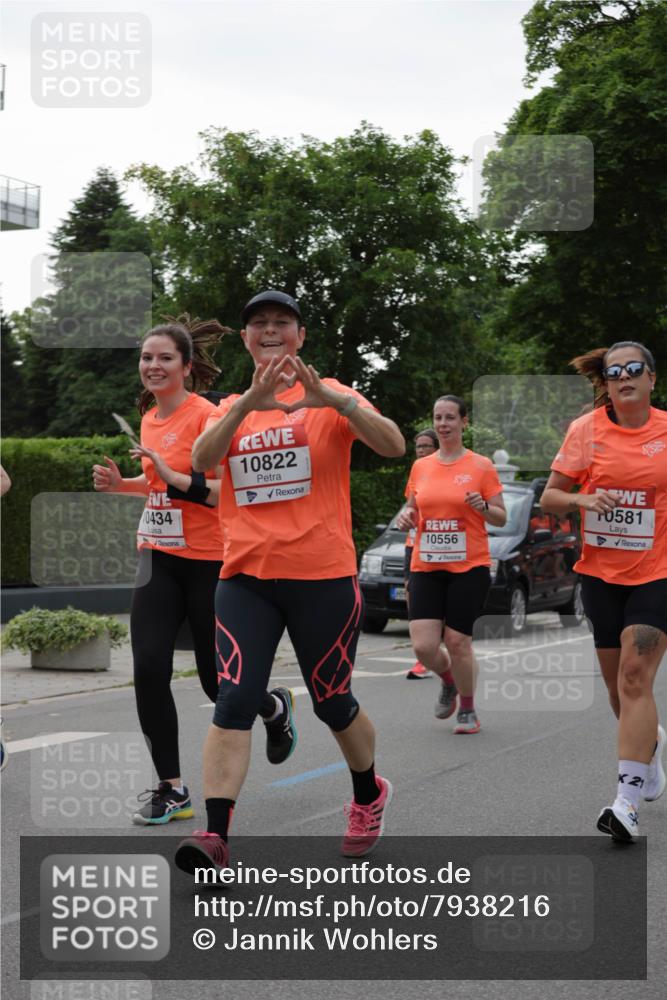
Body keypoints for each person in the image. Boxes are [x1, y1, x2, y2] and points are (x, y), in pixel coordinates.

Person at [174, 289, 405, 873]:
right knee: (234, 699)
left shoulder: (335, 397)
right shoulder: (229, 403)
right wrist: (248, 402)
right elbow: (202, 460)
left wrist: (334, 401)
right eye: (258, 324)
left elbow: (394, 445)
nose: (270, 330)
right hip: (245, 577)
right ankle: (215, 835)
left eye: (282, 322)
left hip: (322, 578)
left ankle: (367, 793)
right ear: (248, 339)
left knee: (332, 702)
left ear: (299, 336)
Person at [93, 315, 296, 826]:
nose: (153, 366)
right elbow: (160, 485)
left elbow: (223, 494)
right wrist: (125, 485)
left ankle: (273, 708)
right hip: (156, 558)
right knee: (148, 669)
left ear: (186, 366)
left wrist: (167, 476)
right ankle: (172, 789)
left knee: (216, 683)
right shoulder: (150, 418)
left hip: (208, 562)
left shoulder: (208, 416)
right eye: (146, 357)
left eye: (164, 358)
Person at [541, 341, 667, 842]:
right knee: (620, 692)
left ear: (652, 379)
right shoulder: (585, 431)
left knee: (636, 678)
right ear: (606, 384)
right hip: (600, 575)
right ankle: (650, 755)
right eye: (615, 373)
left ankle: (626, 804)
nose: (624, 378)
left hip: (657, 572)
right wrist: (583, 498)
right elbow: (552, 495)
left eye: (634, 369)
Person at [396, 395, 506, 733]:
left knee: (458, 642)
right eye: (438, 417)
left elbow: (501, 517)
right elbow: (412, 507)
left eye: (450, 418)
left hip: (468, 566)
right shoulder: (421, 467)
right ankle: (448, 681)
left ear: (464, 422)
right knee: (424, 646)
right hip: (426, 565)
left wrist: (482, 507)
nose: (443, 424)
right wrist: (405, 516)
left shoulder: (481, 466)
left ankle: (468, 710)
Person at [405, 430, 438, 679]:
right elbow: (410, 506)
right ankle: (422, 658)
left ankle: (438, 650)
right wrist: (407, 518)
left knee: (439, 602)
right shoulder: (417, 470)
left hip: (439, 545)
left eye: (426, 446)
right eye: (418, 446)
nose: (422, 450)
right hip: (414, 544)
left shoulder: (447, 471)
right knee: (411, 597)